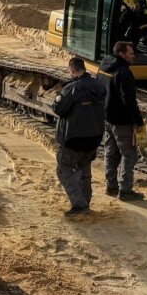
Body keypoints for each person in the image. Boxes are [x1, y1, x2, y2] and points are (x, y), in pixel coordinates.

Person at [51, 56, 106, 217]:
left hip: (74, 138)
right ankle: (85, 202)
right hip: (94, 137)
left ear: (72, 70)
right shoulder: (98, 86)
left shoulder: (71, 88)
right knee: (84, 169)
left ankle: (79, 204)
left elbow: (58, 108)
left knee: (64, 169)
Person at [100, 41, 145, 201]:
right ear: (122, 54)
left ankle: (111, 186)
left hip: (107, 118)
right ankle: (125, 190)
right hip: (121, 121)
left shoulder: (104, 67)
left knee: (110, 152)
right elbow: (129, 100)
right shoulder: (124, 72)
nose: (134, 56)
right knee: (129, 154)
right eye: (131, 53)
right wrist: (139, 121)